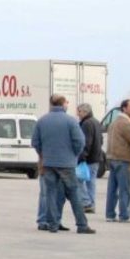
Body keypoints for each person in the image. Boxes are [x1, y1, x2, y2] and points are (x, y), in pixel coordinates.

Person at [32, 95, 94, 235]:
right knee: (74, 193)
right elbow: (80, 141)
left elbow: (35, 142)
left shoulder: (42, 120)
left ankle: (52, 224)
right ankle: (82, 224)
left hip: (48, 163)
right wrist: (74, 155)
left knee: (51, 193)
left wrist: (43, 153)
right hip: (67, 163)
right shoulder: (71, 121)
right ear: (63, 105)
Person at [76, 103, 104, 212]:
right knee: (91, 182)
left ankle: (86, 202)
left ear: (84, 112)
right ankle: (91, 204)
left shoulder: (86, 124)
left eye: (79, 111)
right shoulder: (96, 122)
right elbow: (100, 140)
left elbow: (86, 142)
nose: (78, 114)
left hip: (88, 158)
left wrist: (82, 157)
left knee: (78, 179)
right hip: (96, 157)